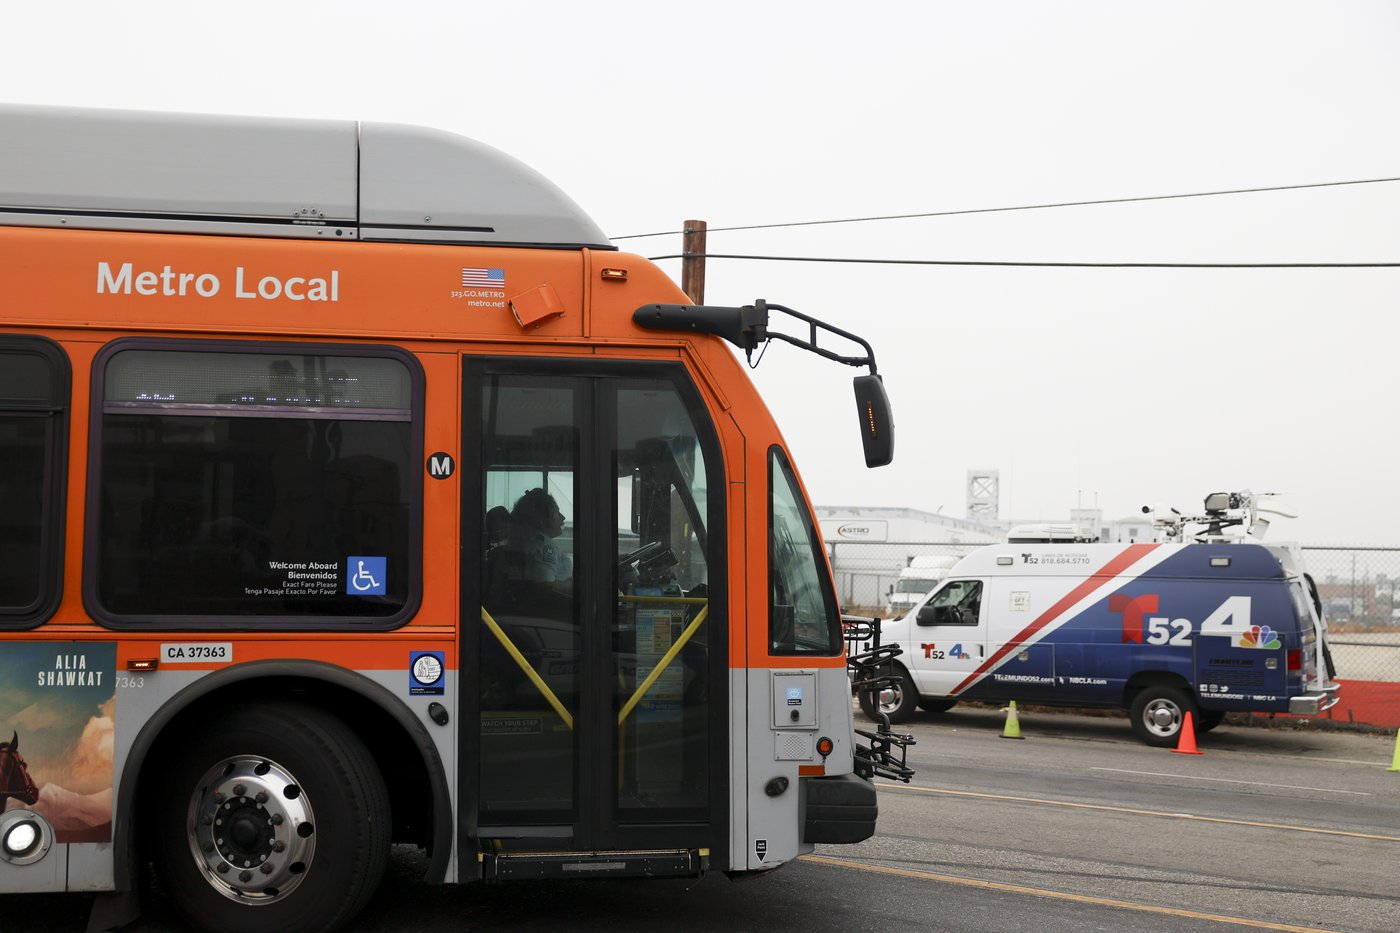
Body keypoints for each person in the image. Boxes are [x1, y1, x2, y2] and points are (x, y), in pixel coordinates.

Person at [506, 488, 573, 585]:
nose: (563, 517)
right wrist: (569, 586)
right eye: (556, 513)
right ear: (541, 519)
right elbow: (545, 584)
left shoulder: (531, 542)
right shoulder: (543, 545)